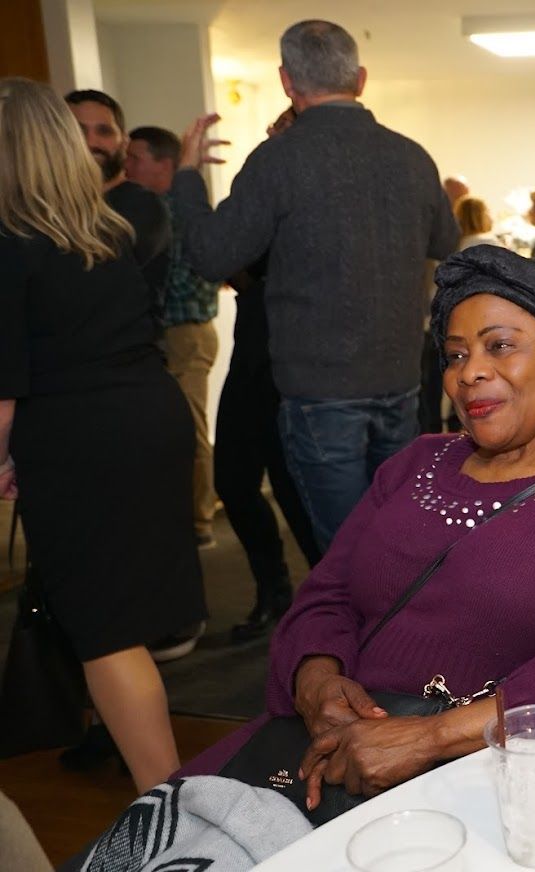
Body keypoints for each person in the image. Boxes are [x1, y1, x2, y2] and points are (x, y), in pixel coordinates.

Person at [177, 245, 535, 815]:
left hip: (479, 783)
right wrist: (316, 679)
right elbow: (327, 595)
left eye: (500, 345)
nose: (468, 371)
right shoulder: (419, 460)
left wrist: (429, 737)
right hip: (314, 753)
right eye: (453, 354)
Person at [171, 19, 460, 552]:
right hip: (400, 384)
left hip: (320, 393)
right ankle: (401, 633)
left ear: (286, 81)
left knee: (346, 553)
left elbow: (210, 255)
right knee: (398, 539)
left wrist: (186, 178)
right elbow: (447, 240)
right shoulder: (412, 157)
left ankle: (358, 635)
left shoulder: (278, 160)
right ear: (362, 77)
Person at [0, 77, 206, 793]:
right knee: (124, 623)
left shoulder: (10, 243)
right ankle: (168, 792)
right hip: (147, 419)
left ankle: (167, 808)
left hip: (80, 437)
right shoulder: (104, 232)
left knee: (104, 630)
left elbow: (7, 385)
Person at [214, 106, 322, 644]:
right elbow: (225, 259)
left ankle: (326, 613)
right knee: (231, 480)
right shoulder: (260, 184)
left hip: (300, 364)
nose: (276, 141)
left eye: (284, 133)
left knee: (296, 492)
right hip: (251, 354)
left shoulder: (322, 194)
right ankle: (273, 589)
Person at [126, 125, 221, 549]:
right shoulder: (154, 209)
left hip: (185, 334)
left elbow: (183, 281)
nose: (127, 165)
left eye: (136, 158)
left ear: (164, 164)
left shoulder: (172, 211)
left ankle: (199, 520)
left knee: (187, 428)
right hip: (176, 334)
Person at [65, 89, 171, 318]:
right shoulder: (49, 206)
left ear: (123, 142)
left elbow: (88, 279)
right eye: (78, 131)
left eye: (103, 131)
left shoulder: (142, 206)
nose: (91, 142)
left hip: (126, 350)